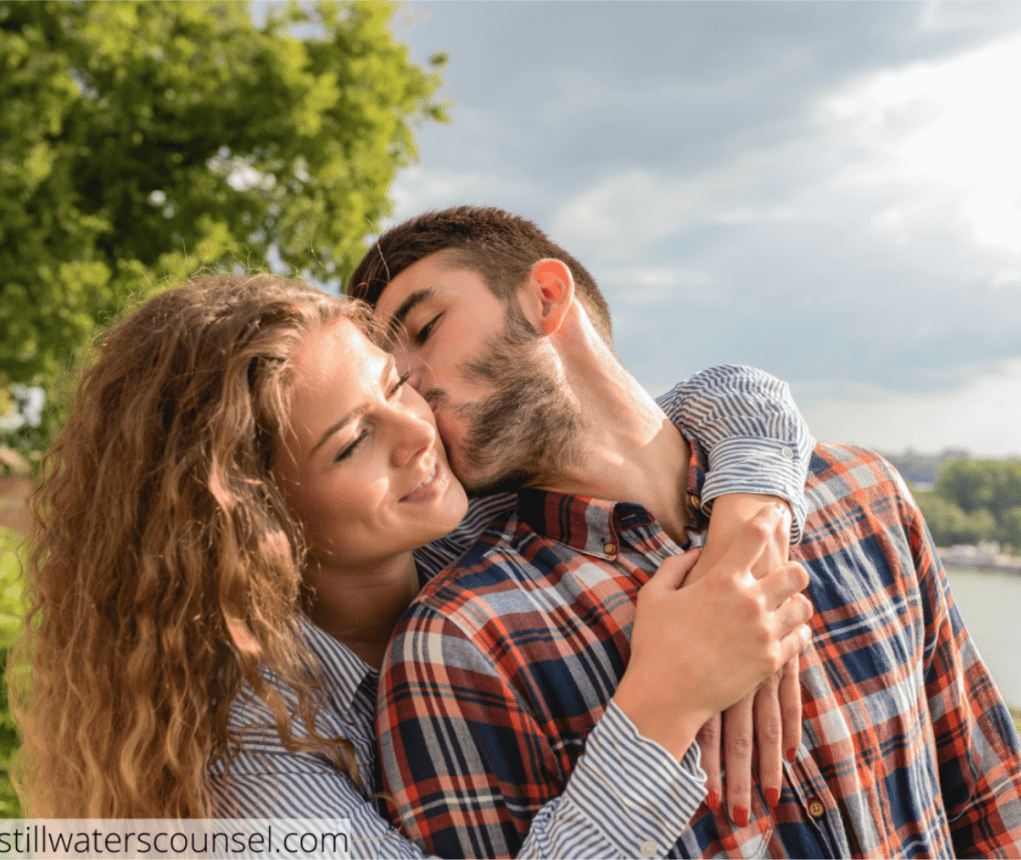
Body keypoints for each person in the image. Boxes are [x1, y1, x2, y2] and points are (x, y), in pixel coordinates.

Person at [11, 273, 814, 859]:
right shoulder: (249, 764)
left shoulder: (471, 521)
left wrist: (748, 530)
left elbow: (727, 400)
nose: (418, 432)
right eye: (354, 442)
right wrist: (661, 706)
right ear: (255, 520)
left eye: (398, 384)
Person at [349, 206, 1021, 858]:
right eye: (387, 378)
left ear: (546, 298)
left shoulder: (863, 493)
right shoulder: (459, 643)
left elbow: (992, 804)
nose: (406, 383)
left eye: (427, 327)